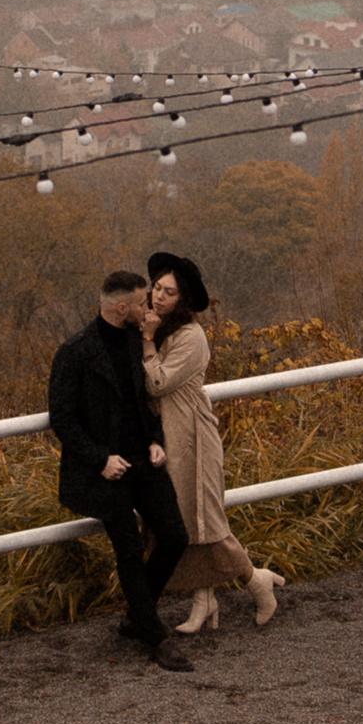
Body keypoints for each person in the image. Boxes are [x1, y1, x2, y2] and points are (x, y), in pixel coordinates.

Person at [47, 268, 194, 671]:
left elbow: (146, 402)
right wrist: (100, 460)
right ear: (123, 307)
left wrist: (156, 440)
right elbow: (62, 419)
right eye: (143, 301)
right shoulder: (75, 352)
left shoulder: (136, 342)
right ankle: (156, 636)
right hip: (105, 470)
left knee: (175, 536)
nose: (149, 307)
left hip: (143, 459)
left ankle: (137, 618)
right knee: (128, 550)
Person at [143, 251, 283, 633]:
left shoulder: (190, 336)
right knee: (187, 520)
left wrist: (147, 339)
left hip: (193, 437)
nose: (158, 296)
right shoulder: (163, 329)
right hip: (169, 435)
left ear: (182, 299)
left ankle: (257, 580)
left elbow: (156, 383)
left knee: (207, 521)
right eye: (156, 288)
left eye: (169, 292)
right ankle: (204, 601)